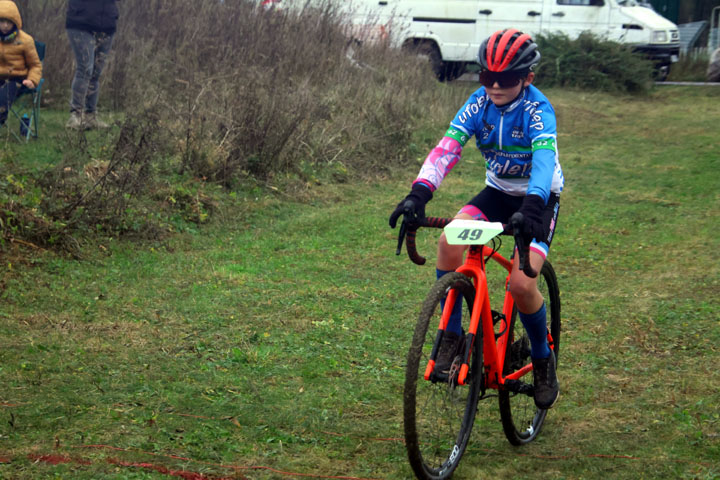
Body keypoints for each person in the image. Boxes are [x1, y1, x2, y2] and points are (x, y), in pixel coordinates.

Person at [389, 29, 564, 410]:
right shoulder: (477, 104)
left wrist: (533, 207)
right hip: (498, 193)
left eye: (506, 79)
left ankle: (542, 358)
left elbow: (544, 160)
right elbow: (447, 148)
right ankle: (451, 338)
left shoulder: (538, 110)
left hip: (539, 198)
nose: (495, 86)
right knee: (449, 242)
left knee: (521, 283)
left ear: (527, 79)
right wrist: (419, 193)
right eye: (487, 77)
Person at [65, 0, 119, 130]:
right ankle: (76, 115)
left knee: (96, 72)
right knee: (85, 69)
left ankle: (90, 115)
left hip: (107, 23)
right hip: (80, 21)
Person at [0, 0, 42, 127]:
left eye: (9, 22)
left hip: (18, 79)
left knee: (4, 95)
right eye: (2, 21)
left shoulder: (26, 40)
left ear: (15, 22)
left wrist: (32, 80)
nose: (5, 25)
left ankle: (1, 116)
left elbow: (35, 65)